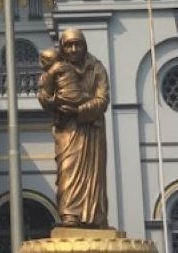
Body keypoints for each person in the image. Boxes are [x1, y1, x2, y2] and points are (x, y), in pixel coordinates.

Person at [37, 28, 110, 228]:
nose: (74, 49)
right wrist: (55, 102)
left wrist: (79, 109)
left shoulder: (96, 68)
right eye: (69, 45)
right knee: (67, 170)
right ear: (62, 47)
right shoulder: (57, 67)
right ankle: (70, 214)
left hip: (91, 129)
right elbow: (44, 95)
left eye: (78, 44)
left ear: (84, 46)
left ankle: (95, 217)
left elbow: (103, 99)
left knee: (94, 176)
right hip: (67, 130)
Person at [38, 48, 84, 117]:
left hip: (65, 103)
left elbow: (45, 98)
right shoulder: (69, 67)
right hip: (77, 100)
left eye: (43, 62)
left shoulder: (50, 73)